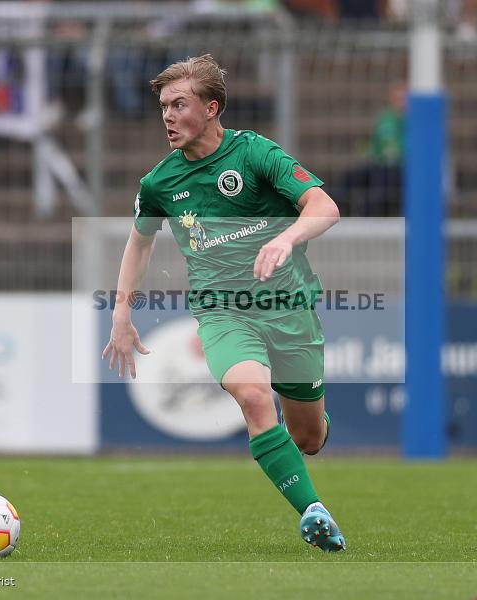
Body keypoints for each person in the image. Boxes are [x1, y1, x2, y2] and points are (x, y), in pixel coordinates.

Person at [101, 54, 346, 552]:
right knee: (255, 398)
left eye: (179, 104)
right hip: (222, 311)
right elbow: (140, 241)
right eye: (164, 106)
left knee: (308, 439)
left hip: (289, 309)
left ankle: (311, 429)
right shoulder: (159, 183)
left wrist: (288, 238)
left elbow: (325, 206)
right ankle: (314, 512)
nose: (167, 116)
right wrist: (121, 312)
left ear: (212, 108)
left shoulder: (255, 154)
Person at [331, 80, 406, 217]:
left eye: (403, 99)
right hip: (378, 164)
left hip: (399, 169)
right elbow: (376, 144)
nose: (400, 102)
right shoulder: (386, 118)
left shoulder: (414, 122)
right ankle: (333, 210)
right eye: (397, 98)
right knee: (349, 178)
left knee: (380, 187)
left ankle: (364, 218)